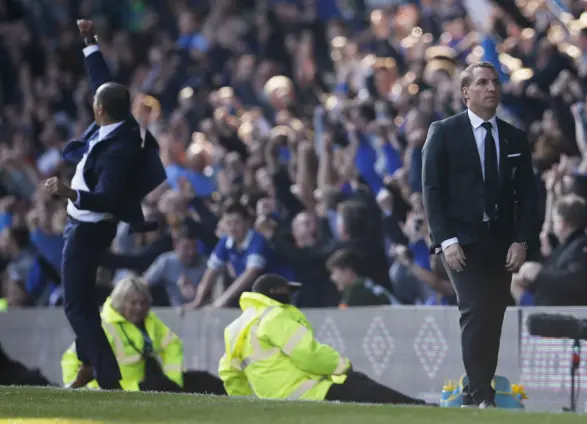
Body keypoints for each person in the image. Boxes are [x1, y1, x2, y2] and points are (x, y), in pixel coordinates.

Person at [43, 20, 166, 390]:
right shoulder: (119, 119)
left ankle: (106, 378)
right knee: (79, 300)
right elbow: (103, 80)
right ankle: (87, 362)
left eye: (95, 101)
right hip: (81, 222)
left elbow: (109, 197)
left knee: (76, 305)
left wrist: (70, 193)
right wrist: (90, 42)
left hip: (90, 226)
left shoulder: (119, 150)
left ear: (98, 111)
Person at [422, 61, 538, 407]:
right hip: (461, 244)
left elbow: (529, 196)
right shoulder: (443, 132)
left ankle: (475, 393)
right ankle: (483, 397)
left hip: (501, 244)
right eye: (483, 83)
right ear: (465, 92)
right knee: (474, 311)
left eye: (495, 82)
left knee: (493, 315)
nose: (491, 88)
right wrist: (446, 240)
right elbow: (431, 190)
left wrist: (523, 240)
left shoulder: (515, 137)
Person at [218, 274, 429, 405]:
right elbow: (307, 354)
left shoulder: (236, 328)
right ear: (273, 292)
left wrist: (249, 404)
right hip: (310, 392)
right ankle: (421, 409)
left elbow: (229, 374)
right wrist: (341, 365)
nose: (290, 296)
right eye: (286, 291)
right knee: (363, 387)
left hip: (276, 401)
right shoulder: (275, 315)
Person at [61, 276, 226, 395]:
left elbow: (172, 345)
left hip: (147, 384)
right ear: (120, 303)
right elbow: (71, 359)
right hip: (122, 390)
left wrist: (174, 380)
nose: (139, 308)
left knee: (206, 380)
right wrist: (84, 391)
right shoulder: (104, 326)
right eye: (133, 303)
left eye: (143, 302)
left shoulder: (149, 320)